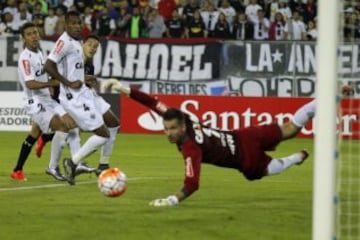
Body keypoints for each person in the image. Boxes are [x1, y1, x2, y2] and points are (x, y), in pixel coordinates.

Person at [110, 82, 315, 207]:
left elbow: (192, 184)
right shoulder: (184, 118)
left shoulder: (191, 148)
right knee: (290, 129)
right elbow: (154, 103)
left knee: (271, 164)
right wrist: (126, 90)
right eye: (166, 128)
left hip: (245, 155)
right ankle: (320, 108)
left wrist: (171, 200)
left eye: (172, 129)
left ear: (181, 127)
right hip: (245, 137)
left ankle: (296, 156)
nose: (168, 133)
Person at [36, 34, 120, 174]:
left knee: (113, 123)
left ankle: (101, 164)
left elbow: (82, 84)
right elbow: (53, 77)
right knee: (73, 130)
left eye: (95, 46)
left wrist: (86, 82)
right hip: (65, 99)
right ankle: (70, 162)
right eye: (90, 44)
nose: (92, 48)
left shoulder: (88, 65)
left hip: (85, 97)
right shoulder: (70, 57)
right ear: (82, 44)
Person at [44, 11, 110, 185]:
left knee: (77, 132)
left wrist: (83, 79)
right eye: (72, 23)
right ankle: (72, 163)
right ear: (66, 25)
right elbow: (48, 66)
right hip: (74, 98)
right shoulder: (64, 42)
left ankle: (73, 163)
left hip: (83, 94)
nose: (76, 26)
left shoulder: (76, 43)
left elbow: (72, 71)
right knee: (104, 134)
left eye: (78, 23)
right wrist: (67, 82)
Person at [11, 22, 69, 181]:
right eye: (29, 34)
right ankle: (52, 167)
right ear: (23, 38)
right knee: (63, 127)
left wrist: (50, 83)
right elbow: (30, 83)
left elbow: (41, 75)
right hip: (34, 102)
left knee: (35, 133)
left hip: (46, 99)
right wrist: (51, 83)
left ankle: (17, 170)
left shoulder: (39, 53)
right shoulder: (25, 58)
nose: (34, 36)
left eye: (35, 32)